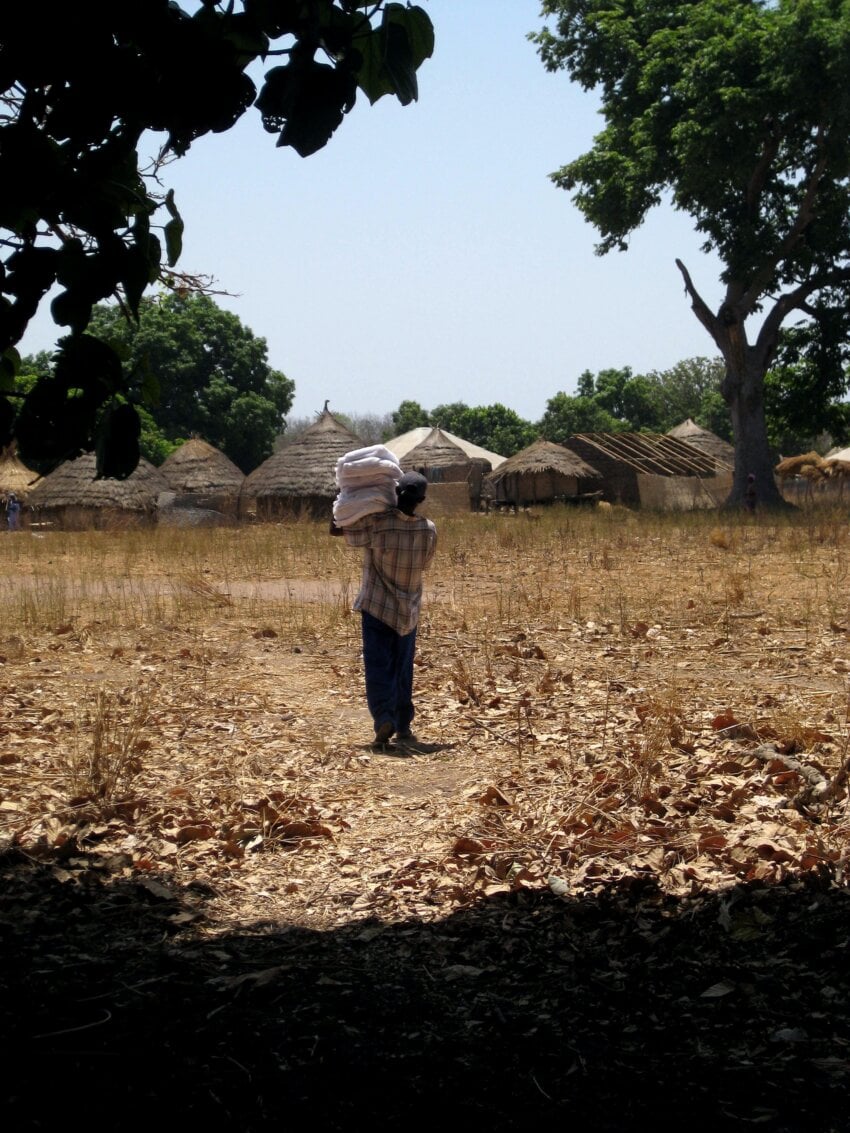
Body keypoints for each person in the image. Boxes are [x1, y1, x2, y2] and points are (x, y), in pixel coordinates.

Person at [332, 471, 437, 750]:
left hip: (377, 607)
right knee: (403, 668)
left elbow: (338, 530)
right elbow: (424, 564)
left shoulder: (377, 525)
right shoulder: (428, 530)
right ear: (422, 500)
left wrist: (340, 502)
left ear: (395, 493)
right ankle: (403, 724)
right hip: (408, 611)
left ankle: (383, 720)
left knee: (379, 666)